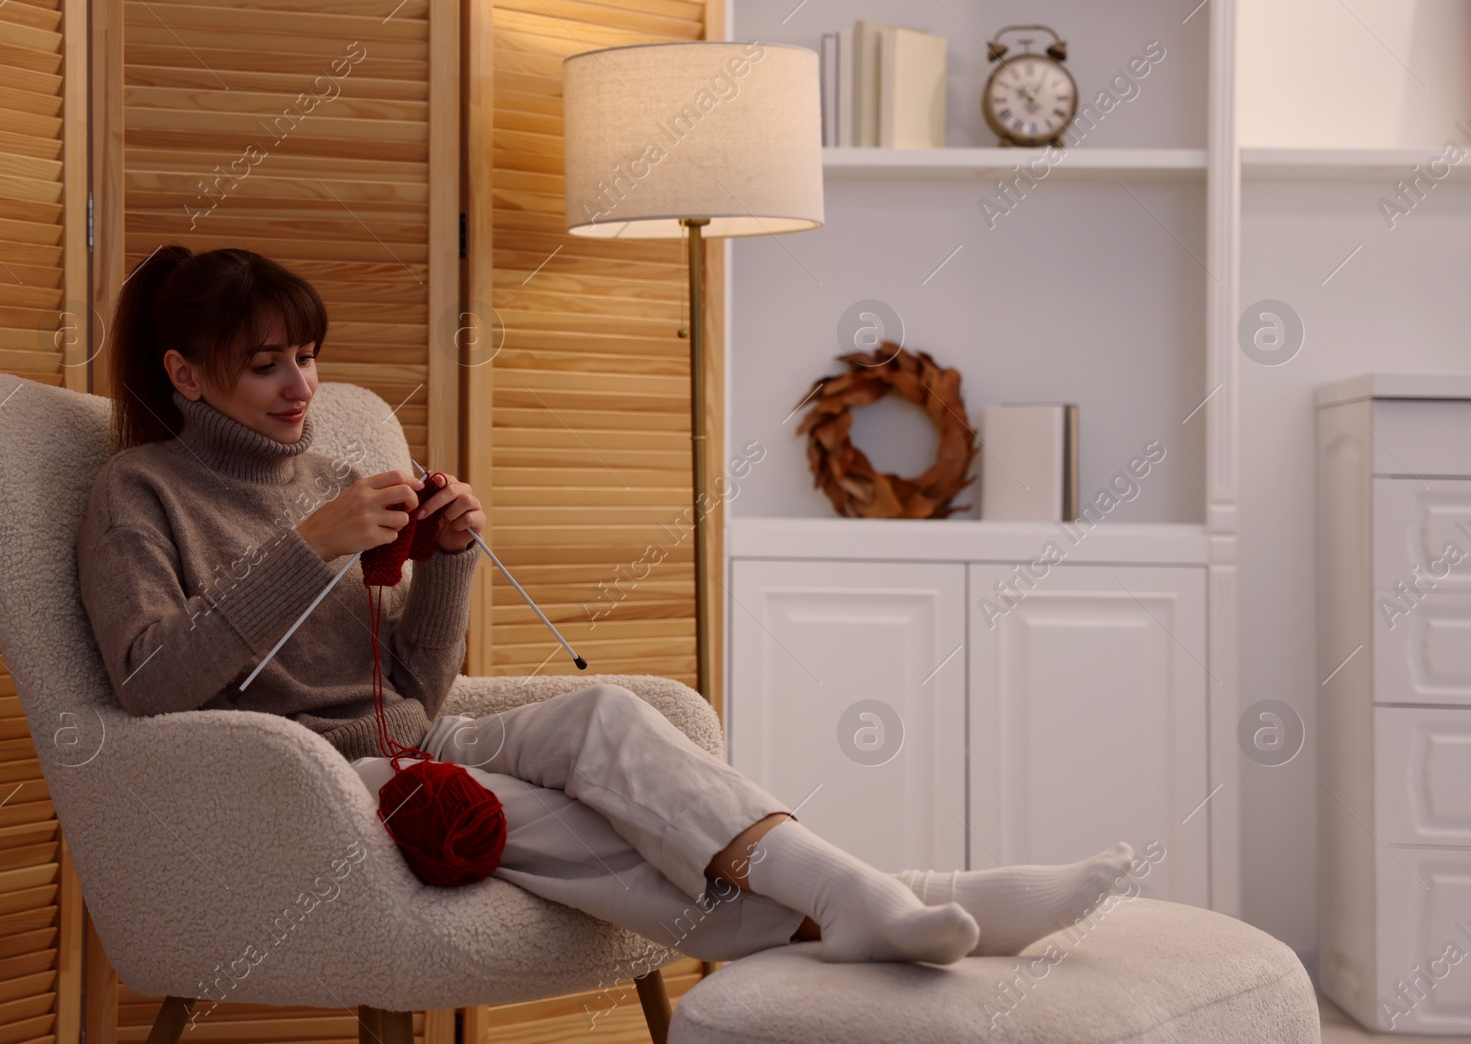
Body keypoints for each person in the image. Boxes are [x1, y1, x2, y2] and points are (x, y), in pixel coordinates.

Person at [77, 245, 1135, 967]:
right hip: (305, 775)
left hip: (411, 734)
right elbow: (150, 680)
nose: (301, 385)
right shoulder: (140, 493)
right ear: (187, 374)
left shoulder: (333, 473)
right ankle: (885, 897)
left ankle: (862, 900)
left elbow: (410, 686)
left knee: (609, 716)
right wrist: (307, 547)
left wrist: (448, 558)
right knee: (567, 819)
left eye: (306, 356)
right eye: (265, 366)